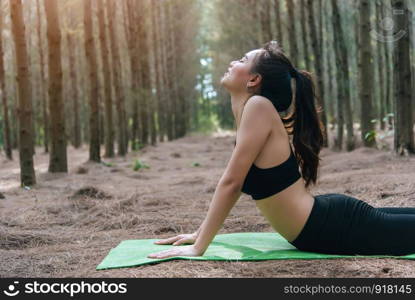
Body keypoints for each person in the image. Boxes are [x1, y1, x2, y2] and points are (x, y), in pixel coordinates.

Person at [148, 40, 415, 259]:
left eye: (242, 59)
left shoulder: (258, 107)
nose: (233, 62)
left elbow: (231, 183)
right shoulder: (249, 111)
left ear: (254, 79)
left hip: (330, 226)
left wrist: (199, 247)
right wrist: (200, 233)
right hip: (324, 222)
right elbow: (234, 184)